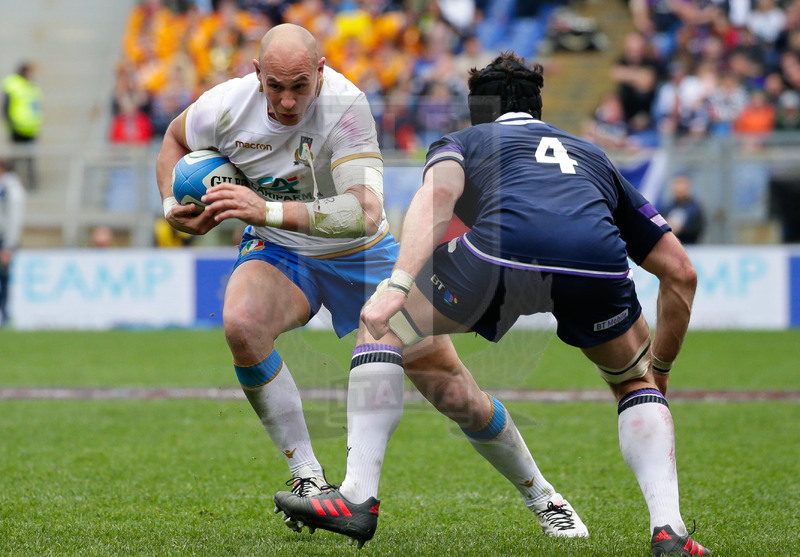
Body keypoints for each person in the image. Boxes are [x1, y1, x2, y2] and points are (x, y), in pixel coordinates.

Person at [155, 24, 586, 542]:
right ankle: (309, 478)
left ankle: (544, 496)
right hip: (282, 250)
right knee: (242, 324)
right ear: (257, 74)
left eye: (300, 86)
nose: (288, 101)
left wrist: (263, 209)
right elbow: (175, 140)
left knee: (454, 391)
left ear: (320, 71)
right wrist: (171, 205)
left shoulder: (346, 106)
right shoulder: (223, 105)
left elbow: (364, 212)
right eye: (275, 86)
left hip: (363, 253)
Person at [274, 53, 710, 557]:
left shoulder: (467, 140)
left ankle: (356, 497)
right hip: (595, 264)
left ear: (479, 109)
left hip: (501, 255)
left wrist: (398, 284)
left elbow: (437, 199)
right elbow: (681, 273)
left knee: (383, 327)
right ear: (538, 107)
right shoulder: (593, 156)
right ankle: (669, 531)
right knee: (634, 384)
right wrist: (660, 370)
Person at [2, 62, 43, 190]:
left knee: (30, 159)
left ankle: (32, 185)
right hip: (18, 128)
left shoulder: (32, 84)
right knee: (16, 159)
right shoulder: (13, 83)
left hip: (31, 129)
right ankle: (10, 186)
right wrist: (11, 125)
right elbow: (6, 107)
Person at [0, 158, 26, 325]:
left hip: (3, 240)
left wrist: (9, 245)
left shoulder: (11, 188)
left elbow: (15, 218)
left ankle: (5, 314)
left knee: (3, 279)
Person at [660, 173, 705, 245]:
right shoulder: (667, 207)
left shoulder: (694, 209)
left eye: (682, 183)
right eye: (677, 183)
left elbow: (693, 228)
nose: (679, 187)